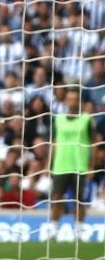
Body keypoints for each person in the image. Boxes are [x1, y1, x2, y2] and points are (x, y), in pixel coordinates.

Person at [48, 89, 93, 232]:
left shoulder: (86, 119)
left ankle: (79, 232)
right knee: (57, 198)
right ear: (66, 101)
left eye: (75, 99)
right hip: (60, 165)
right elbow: (54, 142)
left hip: (80, 165)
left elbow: (94, 143)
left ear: (80, 101)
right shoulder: (58, 119)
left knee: (79, 200)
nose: (73, 101)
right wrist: (48, 164)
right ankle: (53, 231)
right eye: (70, 98)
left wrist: (92, 166)